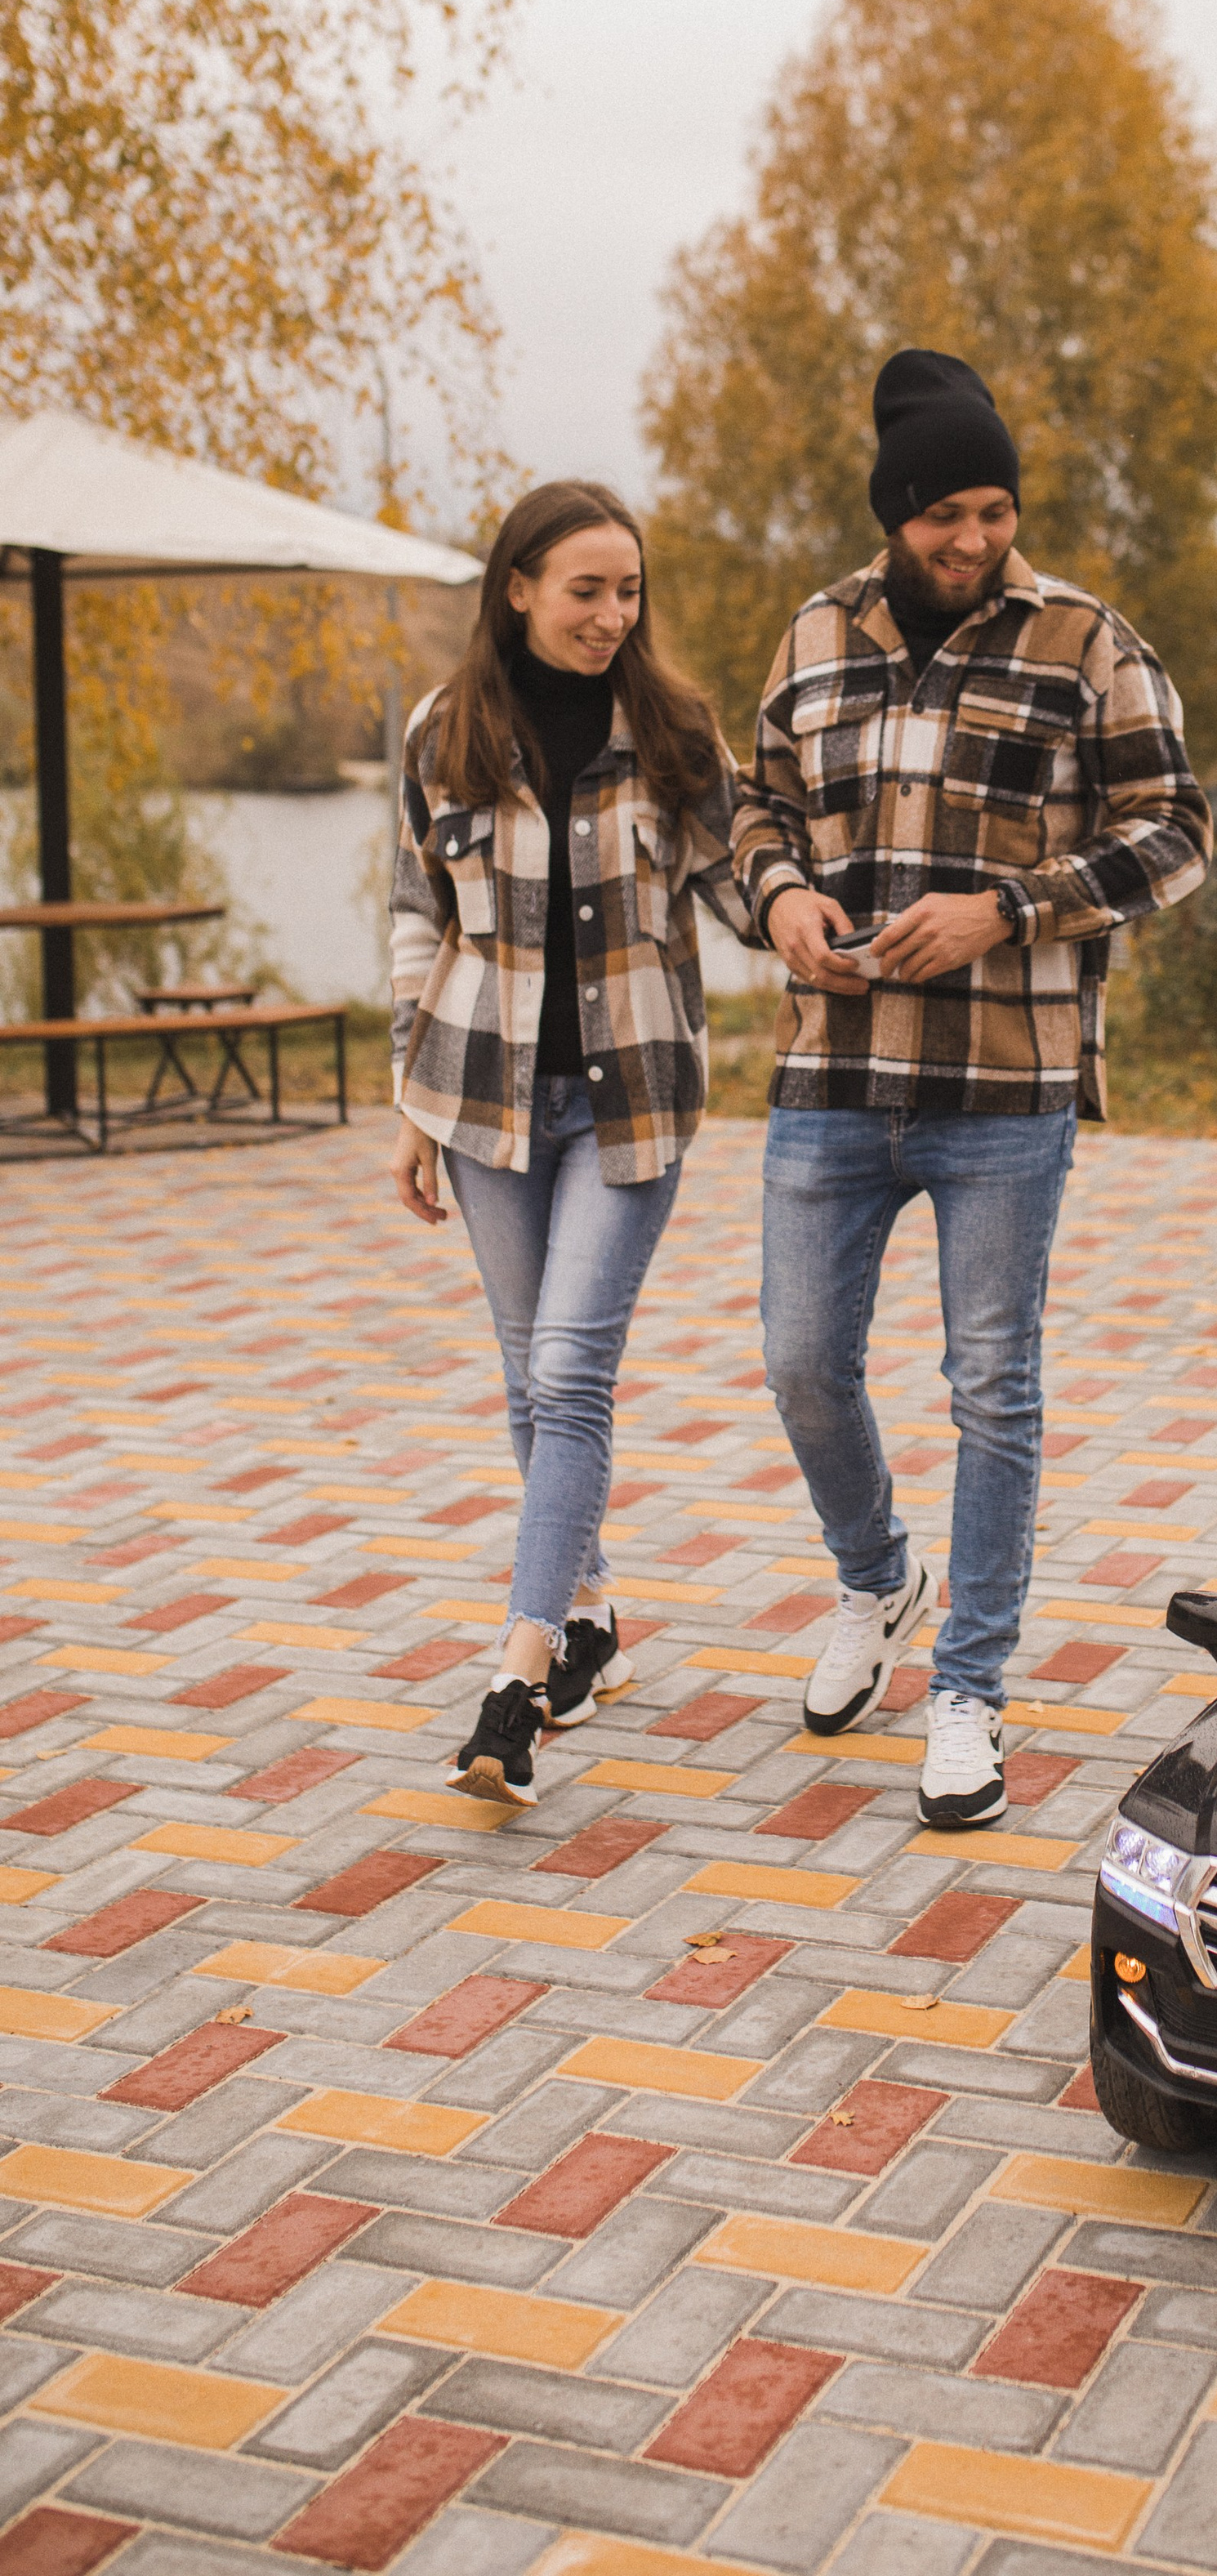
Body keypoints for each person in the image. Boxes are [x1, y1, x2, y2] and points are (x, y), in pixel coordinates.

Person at [731, 349, 1213, 1826]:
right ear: (895, 513)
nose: (974, 538)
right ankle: (880, 1582)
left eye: (996, 510)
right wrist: (779, 901)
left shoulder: (1084, 642)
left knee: (992, 1389)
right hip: (830, 1071)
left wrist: (1012, 907)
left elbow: (1180, 829)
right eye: (946, 513)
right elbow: (754, 807)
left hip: (1006, 1088)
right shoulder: (813, 633)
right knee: (803, 1363)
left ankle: (970, 1688)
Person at [388, 479, 749, 1804]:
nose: (612, 615)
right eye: (586, 589)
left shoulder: (672, 731)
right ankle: (591, 1609)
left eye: (630, 591)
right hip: (481, 1099)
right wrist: (409, 1101)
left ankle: (516, 1683)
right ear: (520, 589)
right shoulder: (443, 731)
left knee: (571, 1371)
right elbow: (413, 920)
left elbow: (745, 884)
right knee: (527, 1378)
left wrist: (826, 905)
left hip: (630, 1102)